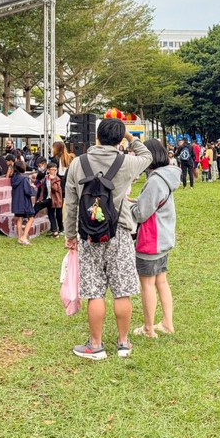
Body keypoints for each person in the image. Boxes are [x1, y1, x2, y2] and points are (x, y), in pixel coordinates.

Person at [63, 118, 151, 360]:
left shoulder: (78, 163)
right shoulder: (127, 162)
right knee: (122, 291)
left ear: (97, 137)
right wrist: (130, 138)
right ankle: (123, 343)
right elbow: (148, 155)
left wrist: (70, 234)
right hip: (119, 232)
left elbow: (70, 203)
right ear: (120, 139)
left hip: (88, 235)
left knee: (95, 292)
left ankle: (95, 345)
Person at [129, 139, 180, 339]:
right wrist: (137, 201)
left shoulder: (155, 180)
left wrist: (129, 206)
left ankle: (149, 328)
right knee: (161, 281)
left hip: (151, 239)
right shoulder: (167, 175)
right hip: (163, 237)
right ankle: (167, 323)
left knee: (148, 284)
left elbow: (141, 213)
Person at [11, 158, 36, 245]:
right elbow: (28, 191)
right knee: (31, 218)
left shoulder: (14, 178)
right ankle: (24, 237)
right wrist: (32, 187)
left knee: (19, 219)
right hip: (25, 202)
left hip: (16, 202)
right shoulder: (24, 179)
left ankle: (19, 238)